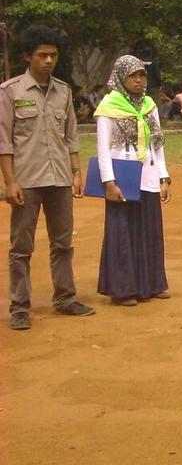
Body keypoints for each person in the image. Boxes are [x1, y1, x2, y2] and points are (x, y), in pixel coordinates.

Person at [1, 24, 96, 330]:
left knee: (63, 242)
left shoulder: (63, 91)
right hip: (26, 181)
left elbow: (70, 136)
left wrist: (76, 172)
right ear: (28, 56)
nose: (48, 61)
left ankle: (65, 297)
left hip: (58, 179)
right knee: (21, 247)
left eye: (53, 55)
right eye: (42, 55)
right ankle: (19, 306)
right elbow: (4, 141)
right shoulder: (10, 92)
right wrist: (10, 181)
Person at [94, 55, 171, 306]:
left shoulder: (149, 105)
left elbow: (156, 144)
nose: (138, 80)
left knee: (149, 230)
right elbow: (103, 148)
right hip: (122, 177)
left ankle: (152, 283)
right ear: (120, 77)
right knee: (122, 231)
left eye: (142, 75)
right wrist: (109, 181)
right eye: (133, 76)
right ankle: (123, 289)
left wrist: (164, 176)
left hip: (147, 174)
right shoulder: (109, 106)